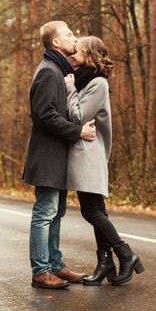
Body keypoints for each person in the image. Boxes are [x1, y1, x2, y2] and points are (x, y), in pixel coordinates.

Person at [64, 36, 144, 286]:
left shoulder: (96, 83)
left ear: (90, 55)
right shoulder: (86, 80)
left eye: (77, 50)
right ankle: (105, 262)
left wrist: (68, 89)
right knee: (97, 211)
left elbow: (78, 116)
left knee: (91, 211)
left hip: (89, 153)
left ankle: (126, 254)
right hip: (86, 153)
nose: (72, 53)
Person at [23, 21, 97, 289]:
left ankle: (55, 266)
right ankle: (41, 272)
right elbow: (43, 115)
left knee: (57, 212)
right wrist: (77, 131)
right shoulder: (47, 72)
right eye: (68, 34)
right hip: (47, 156)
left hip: (58, 155)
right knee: (45, 212)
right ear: (55, 43)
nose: (74, 37)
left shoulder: (58, 70)